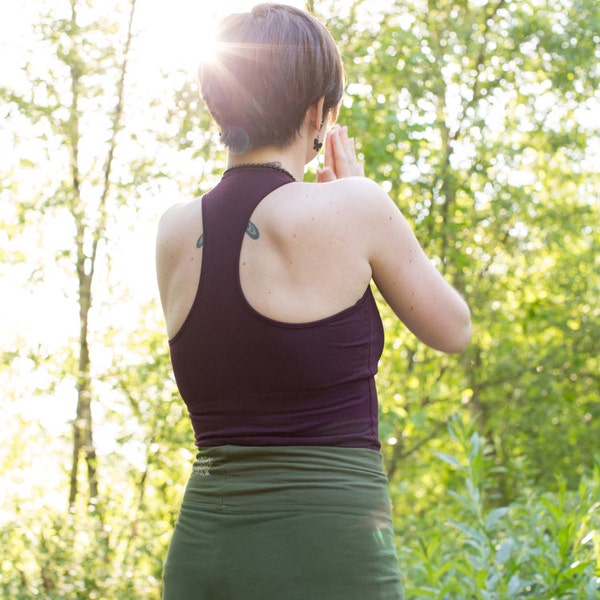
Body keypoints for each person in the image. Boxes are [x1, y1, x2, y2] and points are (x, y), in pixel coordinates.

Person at [155, 3, 471, 599]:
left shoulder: (174, 231)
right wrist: (353, 196)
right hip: (333, 548)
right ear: (317, 112)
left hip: (203, 554)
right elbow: (453, 328)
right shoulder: (356, 206)